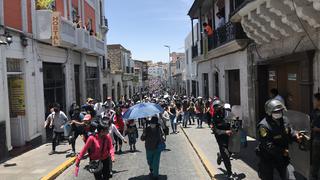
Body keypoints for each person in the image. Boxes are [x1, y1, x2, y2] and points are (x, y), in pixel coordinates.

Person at [256, 99, 303, 180]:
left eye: (280, 111)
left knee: (290, 177)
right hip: (268, 157)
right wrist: (283, 151)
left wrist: (296, 135)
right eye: (276, 111)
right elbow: (268, 146)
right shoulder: (263, 126)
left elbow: (289, 131)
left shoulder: (285, 120)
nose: (278, 113)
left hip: (282, 157)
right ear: (269, 112)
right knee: (267, 177)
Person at [211, 100, 234, 178]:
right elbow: (215, 130)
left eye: (218, 107)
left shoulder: (229, 114)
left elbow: (235, 124)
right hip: (221, 138)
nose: (217, 109)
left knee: (230, 152)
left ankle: (220, 155)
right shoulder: (214, 116)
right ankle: (229, 172)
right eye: (215, 108)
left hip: (230, 137)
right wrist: (225, 132)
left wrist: (235, 128)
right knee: (226, 155)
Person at [311, 93, 320, 180]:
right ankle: (314, 175)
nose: (314, 101)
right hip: (316, 139)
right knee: (315, 158)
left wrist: (318, 129)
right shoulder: (314, 111)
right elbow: (311, 122)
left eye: (315, 100)